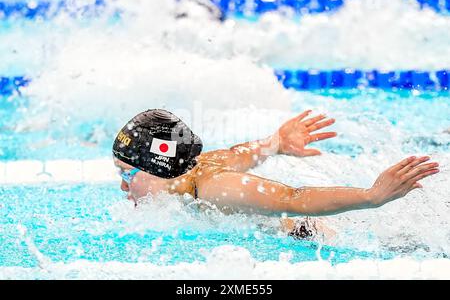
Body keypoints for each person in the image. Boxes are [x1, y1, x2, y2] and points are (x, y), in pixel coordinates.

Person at [113, 109, 439, 237]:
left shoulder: (215, 189)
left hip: (333, 236)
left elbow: (293, 198)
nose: (123, 188)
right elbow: (239, 153)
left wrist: (371, 197)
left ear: (161, 169)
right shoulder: (199, 167)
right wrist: (277, 142)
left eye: (128, 175)